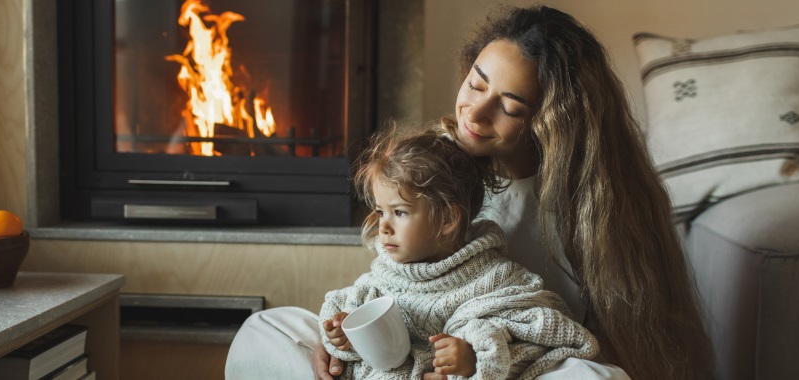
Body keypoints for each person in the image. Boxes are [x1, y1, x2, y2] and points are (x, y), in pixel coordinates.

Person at [227, 4, 712, 380]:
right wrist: (339, 340)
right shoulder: (442, 167)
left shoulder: (590, 208)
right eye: (476, 84)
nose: (475, 114)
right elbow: (400, 280)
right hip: (412, 352)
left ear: (552, 120)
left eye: (510, 106)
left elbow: (581, 342)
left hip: (510, 364)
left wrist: (481, 358)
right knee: (265, 330)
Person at [319, 128, 598, 379]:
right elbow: (352, 312)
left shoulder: (496, 278)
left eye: (400, 212)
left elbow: (545, 333)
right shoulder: (384, 274)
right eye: (381, 212)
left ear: (447, 219)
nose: (384, 226)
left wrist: (475, 359)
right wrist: (343, 336)